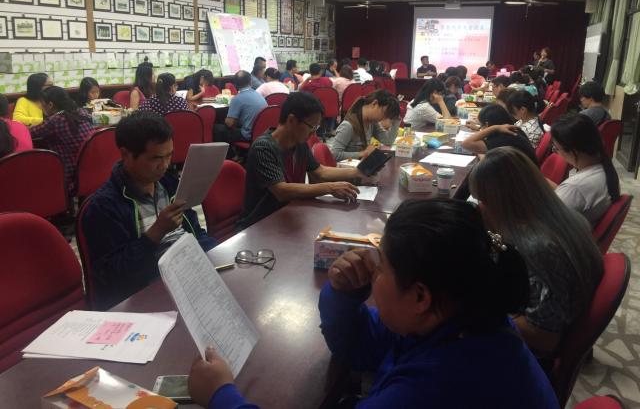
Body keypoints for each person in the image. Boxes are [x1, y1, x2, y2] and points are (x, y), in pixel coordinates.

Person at [188, 199, 560, 409]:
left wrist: (222, 397)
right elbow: (362, 346)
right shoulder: (465, 317)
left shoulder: (431, 388)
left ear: (420, 296)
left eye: (381, 267)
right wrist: (345, 297)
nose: (370, 271)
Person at [469, 147, 603, 359]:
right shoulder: (566, 218)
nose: (480, 206)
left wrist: (479, 307)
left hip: (529, 356)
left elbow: (543, 337)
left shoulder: (538, 248)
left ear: (499, 201)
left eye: (481, 200)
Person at [82, 111, 216, 310]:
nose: (165, 165)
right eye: (156, 158)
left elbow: (195, 232)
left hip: (187, 277)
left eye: (169, 156)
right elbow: (112, 275)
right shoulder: (104, 206)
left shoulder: (169, 184)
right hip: (145, 294)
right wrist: (156, 232)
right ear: (126, 155)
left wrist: (215, 255)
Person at [237, 93, 364, 228]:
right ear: (291, 120)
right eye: (311, 127)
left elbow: (319, 171)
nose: (313, 133)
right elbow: (281, 191)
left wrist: (357, 172)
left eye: (316, 128)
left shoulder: (299, 142)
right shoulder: (263, 147)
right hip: (260, 223)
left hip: (289, 213)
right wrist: (330, 187)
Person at [551, 114, 620, 225]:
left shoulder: (575, 187)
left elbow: (546, 222)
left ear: (573, 150)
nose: (556, 153)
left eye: (556, 148)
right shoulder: (604, 170)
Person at [29, 86, 93, 191]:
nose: (40, 107)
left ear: (50, 105)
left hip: (70, 173)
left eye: (42, 104)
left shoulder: (56, 120)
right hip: (91, 168)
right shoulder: (82, 112)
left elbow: (30, 133)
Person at [330, 90, 400, 161]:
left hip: (361, 164)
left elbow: (387, 141)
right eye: (384, 114)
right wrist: (363, 153)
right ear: (374, 104)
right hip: (348, 166)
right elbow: (334, 155)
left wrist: (396, 120)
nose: (383, 118)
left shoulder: (372, 123)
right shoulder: (348, 126)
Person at [461, 104, 538, 164]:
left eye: (481, 125)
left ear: (487, 125)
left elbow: (466, 144)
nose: (481, 128)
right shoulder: (511, 129)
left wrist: (495, 127)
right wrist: (479, 129)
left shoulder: (502, 138)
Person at [214, 70, 266, 143]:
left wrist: (224, 119)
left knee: (217, 128)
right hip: (262, 133)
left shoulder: (237, 99)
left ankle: (227, 150)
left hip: (247, 135)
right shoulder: (259, 95)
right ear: (250, 82)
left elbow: (229, 123)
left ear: (235, 84)